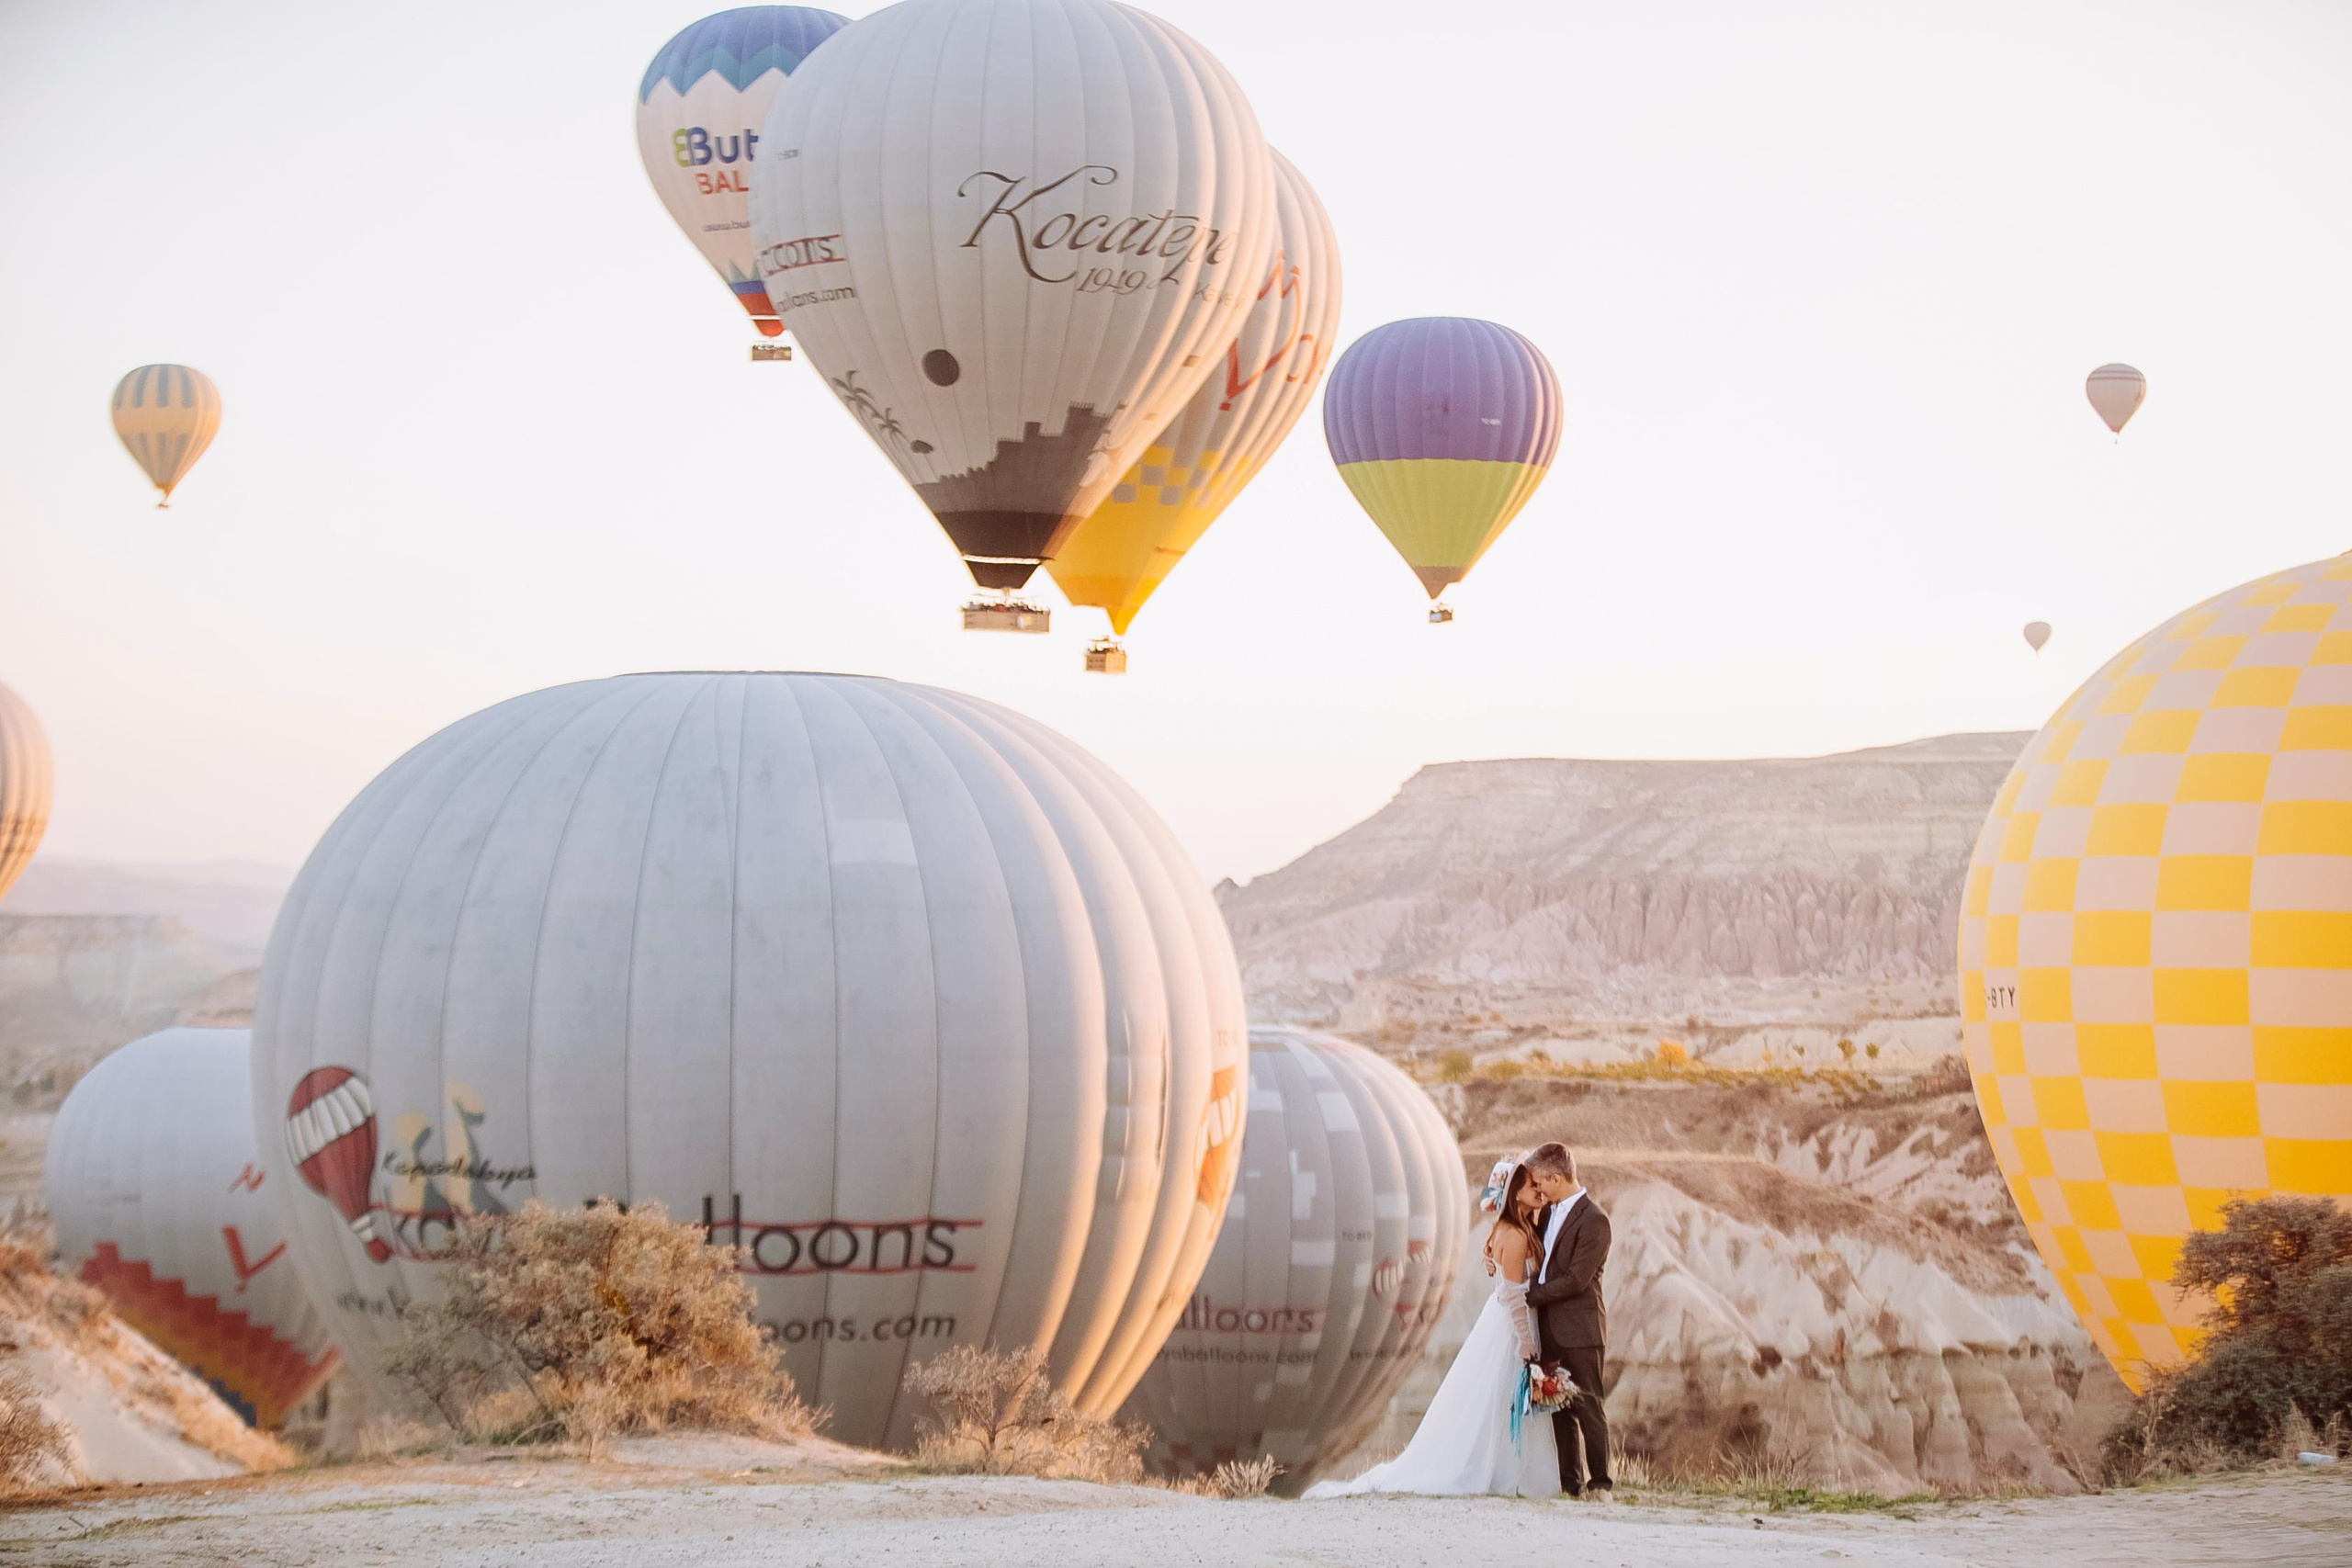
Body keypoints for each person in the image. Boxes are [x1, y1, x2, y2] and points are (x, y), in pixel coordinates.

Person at [1303, 1157, 1559, 1498]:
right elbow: (1513, 1294)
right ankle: (1506, 1472)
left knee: (1497, 1396)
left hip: (1503, 1320)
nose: (1539, 1190)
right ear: (1514, 1194)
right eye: (1532, 1186)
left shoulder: (1512, 1229)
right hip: (1513, 1324)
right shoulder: (1514, 1236)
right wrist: (1525, 1340)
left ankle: (1503, 1469)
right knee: (1503, 1395)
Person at [1522, 1141, 1612, 1498]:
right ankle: (1570, 1485)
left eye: (1541, 1183)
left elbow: (1577, 1279)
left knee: (1588, 1405)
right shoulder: (1546, 1214)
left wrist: (1531, 1296)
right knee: (1557, 1406)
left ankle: (1601, 1484)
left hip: (1581, 1331)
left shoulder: (1595, 1220)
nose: (1539, 1190)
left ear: (1556, 1179)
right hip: (1548, 1328)